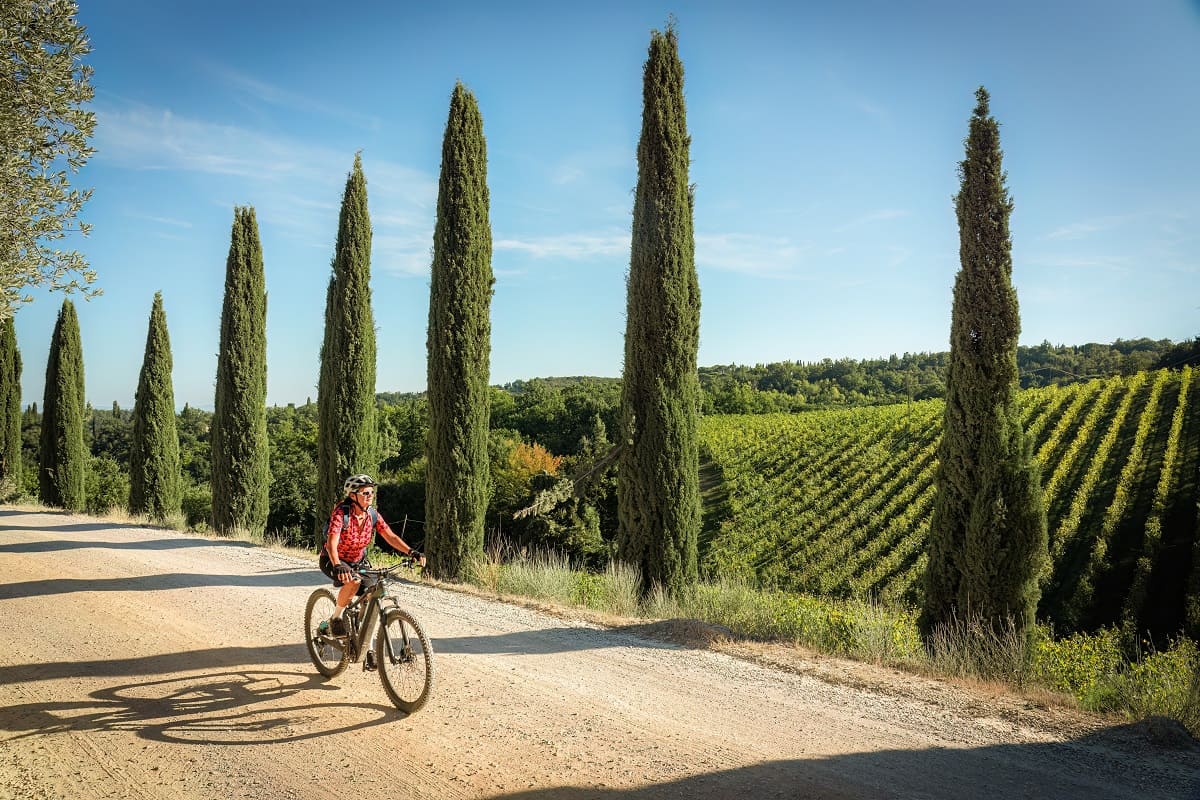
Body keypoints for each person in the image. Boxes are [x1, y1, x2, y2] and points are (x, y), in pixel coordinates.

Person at [319, 473, 425, 636]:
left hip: (358, 561)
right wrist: (338, 565)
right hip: (334, 559)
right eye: (365, 493)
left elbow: (390, 536)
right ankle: (336, 618)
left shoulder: (372, 514)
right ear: (353, 496)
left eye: (372, 492)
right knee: (353, 581)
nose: (370, 496)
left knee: (372, 592)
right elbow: (331, 543)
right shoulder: (341, 514)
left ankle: (360, 632)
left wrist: (411, 552)